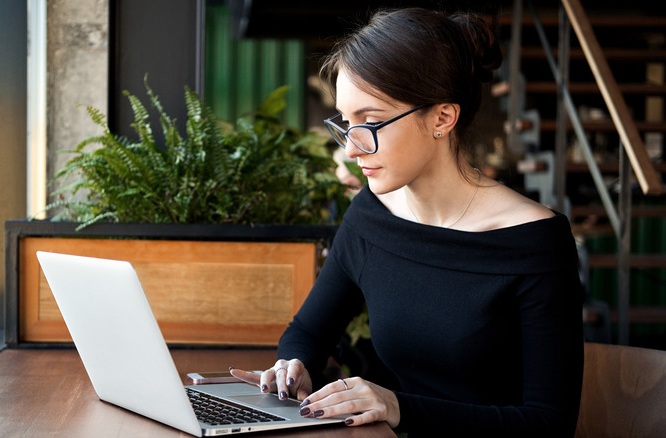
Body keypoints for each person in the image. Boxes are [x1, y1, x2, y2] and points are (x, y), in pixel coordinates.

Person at [230, 7, 584, 437]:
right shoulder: (372, 215)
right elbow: (307, 330)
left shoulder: (533, 242)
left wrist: (397, 406)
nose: (351, 148)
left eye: (371, 122)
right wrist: (295, 366)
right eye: (346, 122)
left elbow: (549, 424)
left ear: (442, 118)